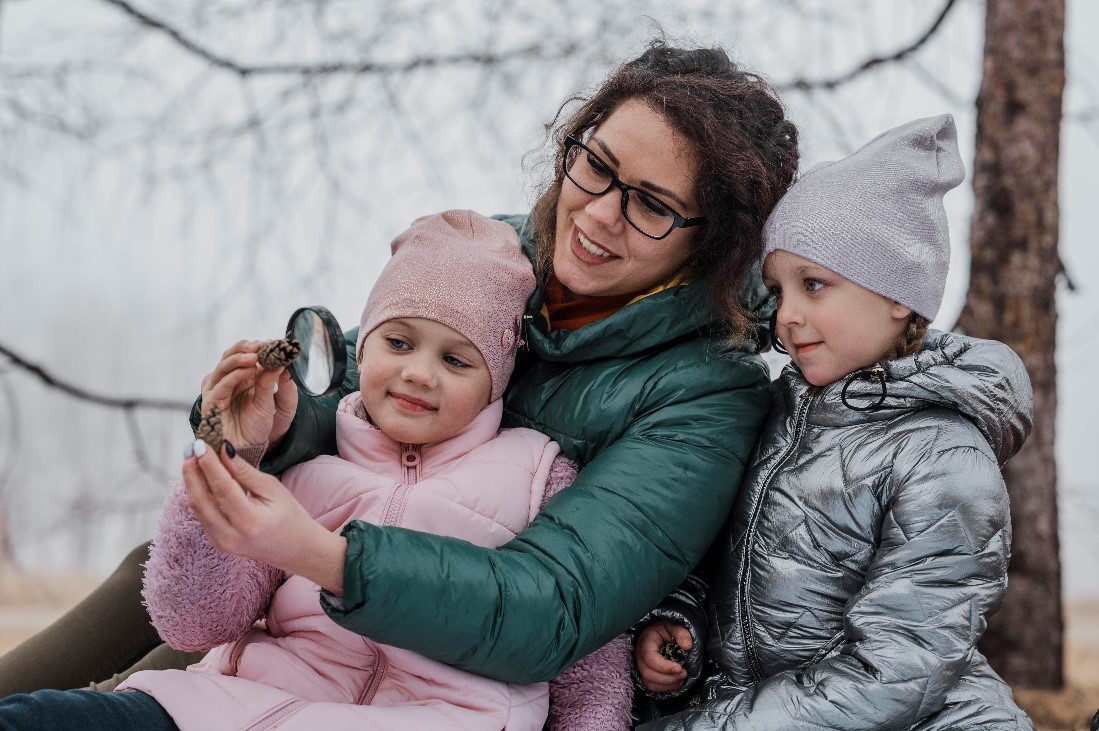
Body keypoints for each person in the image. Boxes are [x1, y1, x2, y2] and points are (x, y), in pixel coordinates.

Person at [0, 41, 800, 700]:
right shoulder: (493, 252)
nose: (596, 213)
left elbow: (553, 606)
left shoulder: (704, 393)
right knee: (158, 572)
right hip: (323, 604)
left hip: (439, 668)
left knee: (143, 694)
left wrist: (324, 553)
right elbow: (352, 389)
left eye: (650, 204)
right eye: (595, 163)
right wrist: (271, 426)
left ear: (711, 242)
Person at [0, 210, 633, 730]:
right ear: (365, 347)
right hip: (236, 708)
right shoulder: (316, 456)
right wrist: (232, 454)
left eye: (457, 360)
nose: (418, 373)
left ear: (499, 374)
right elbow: (191, 620)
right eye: (400, 342)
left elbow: (584, 655)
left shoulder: (536, 476)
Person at [632, 115, 1036, 730]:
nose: (787, 315)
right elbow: (716, 550)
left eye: (814, 285)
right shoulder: (774, 416)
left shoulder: (942, 456)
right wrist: (681, 618)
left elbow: (896, 672)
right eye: (778, 289)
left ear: (897, 293)